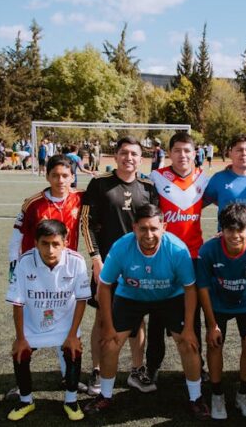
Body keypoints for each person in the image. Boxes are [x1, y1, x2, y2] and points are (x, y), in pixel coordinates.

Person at [83, 204, 211, 420]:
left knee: (189, 344)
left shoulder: (177, 249)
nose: (149, 234)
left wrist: (189, 328)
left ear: (164, 227)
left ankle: (196, 398)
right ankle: (104, 396)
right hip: (131, 296)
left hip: (170, 297)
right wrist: (108, 325)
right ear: (134, 228)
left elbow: (190, 289)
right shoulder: (121, 247)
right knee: (110, 343)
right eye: (143, 229)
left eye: (154, 228)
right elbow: (104, 286)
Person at [81, 136, 160, 396]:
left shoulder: (148, 187)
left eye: (134, 154)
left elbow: (155, 227)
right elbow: (86, 223)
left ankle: (137, 371)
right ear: (115, 156)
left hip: (138, 266)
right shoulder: (99, 184)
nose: (129, 158)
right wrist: (95, 259)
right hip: (106, 264)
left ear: (141, 158)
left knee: (138, 318)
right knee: (103, 317)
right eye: (124, 153)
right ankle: (96, 369)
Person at [5, 154, 85, 401]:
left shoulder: (81, 199)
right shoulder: (33, 203)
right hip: (36, 270)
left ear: (72, 176)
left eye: (65, 175)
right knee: (33, 318)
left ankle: (67, 375)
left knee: (67, 317)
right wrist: (13, 267)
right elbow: (17, 235)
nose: (60, 180)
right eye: (55, 175)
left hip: (65, 271)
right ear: (47, 175)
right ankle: (23, 383)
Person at [5, 219, 90, 421]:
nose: (50, 250)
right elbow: (17, 303)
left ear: (65, 243)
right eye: (44, 243)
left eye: (55, 244)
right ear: (35, 243)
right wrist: (20, 337)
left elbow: (81, 300)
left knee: (74, 349)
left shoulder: (76, 261)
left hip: (64, 325)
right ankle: (26, 401)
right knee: (20, 352)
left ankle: (71, 400)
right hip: (33, 325)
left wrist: (72, 335)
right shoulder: (24, 262)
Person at [197, 203, 246, 420]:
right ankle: (217, 395)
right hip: (218, 303)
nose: (235, 235)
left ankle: (243, 394)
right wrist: (212, 325)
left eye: (241, 230)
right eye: (230, 229)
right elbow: (202, 288)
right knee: (214, 343)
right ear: (222, 229)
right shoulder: (208, 250)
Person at [148, 132, 210, 385]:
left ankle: (198, 366)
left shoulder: (204, 181)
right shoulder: (156, 179)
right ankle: (151, 367)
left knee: (192, 316)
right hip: (162, 256)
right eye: (177, 150)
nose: (182, 155)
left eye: (187, 150)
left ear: (195, 153)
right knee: (156, 317)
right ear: (169, 153)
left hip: (193, 257)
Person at [204, 134, 246, 226]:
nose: (244, 153)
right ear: (230, 154)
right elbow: (201, 203)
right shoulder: (218, 178)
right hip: (226, 239)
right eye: (239, 150)